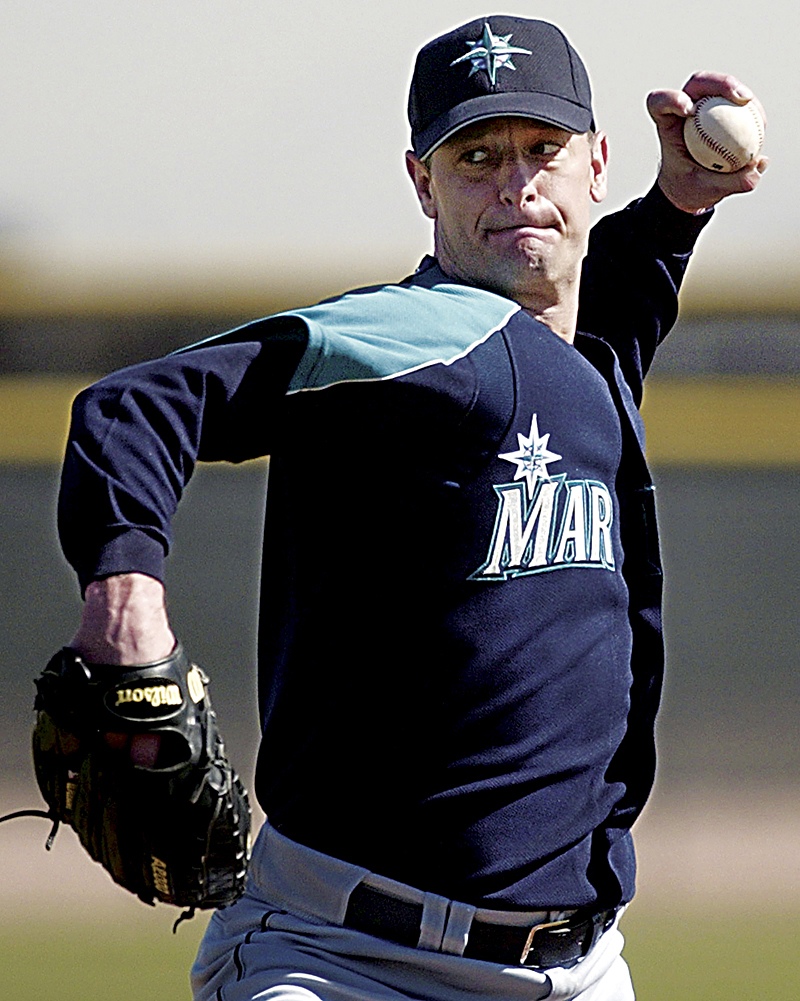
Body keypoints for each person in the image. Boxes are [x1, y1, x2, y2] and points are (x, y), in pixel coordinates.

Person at [58, 15, 766, 1001]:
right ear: (419, 181)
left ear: (595, 164)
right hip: (345, 961)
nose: (515, 184)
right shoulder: (398, 336)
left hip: (580, 966)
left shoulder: (579, 357)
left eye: (541, 151)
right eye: (474, 156)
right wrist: (125, 601)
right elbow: (138, 405)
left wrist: (677, 207)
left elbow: (591, 325)